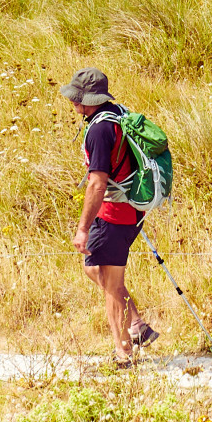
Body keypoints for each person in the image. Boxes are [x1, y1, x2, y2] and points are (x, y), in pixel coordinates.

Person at [61, 66, 158, 363]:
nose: (72, 102)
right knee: (94, 269)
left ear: (88, 99)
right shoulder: (116, 113)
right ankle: (137, 324)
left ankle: (123, 353)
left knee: (111, 282)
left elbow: (97, 183)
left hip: (115, 212)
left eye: (77, 97)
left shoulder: (100, 130)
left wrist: (83, 228)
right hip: (131, 209)